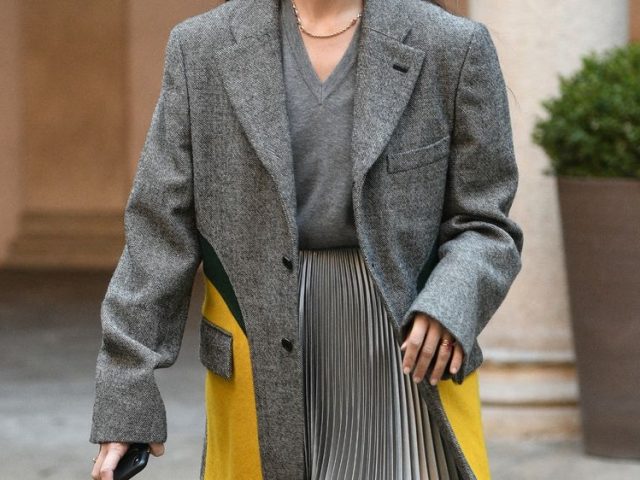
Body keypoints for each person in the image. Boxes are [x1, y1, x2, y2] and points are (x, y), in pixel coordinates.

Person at [89, 0, 524, 478]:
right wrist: (127, 392)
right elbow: (158, 231)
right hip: (258, 342)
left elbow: (485, 223)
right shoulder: (201, 48)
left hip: (408, 351)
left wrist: (450, 301)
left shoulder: (452, 46)